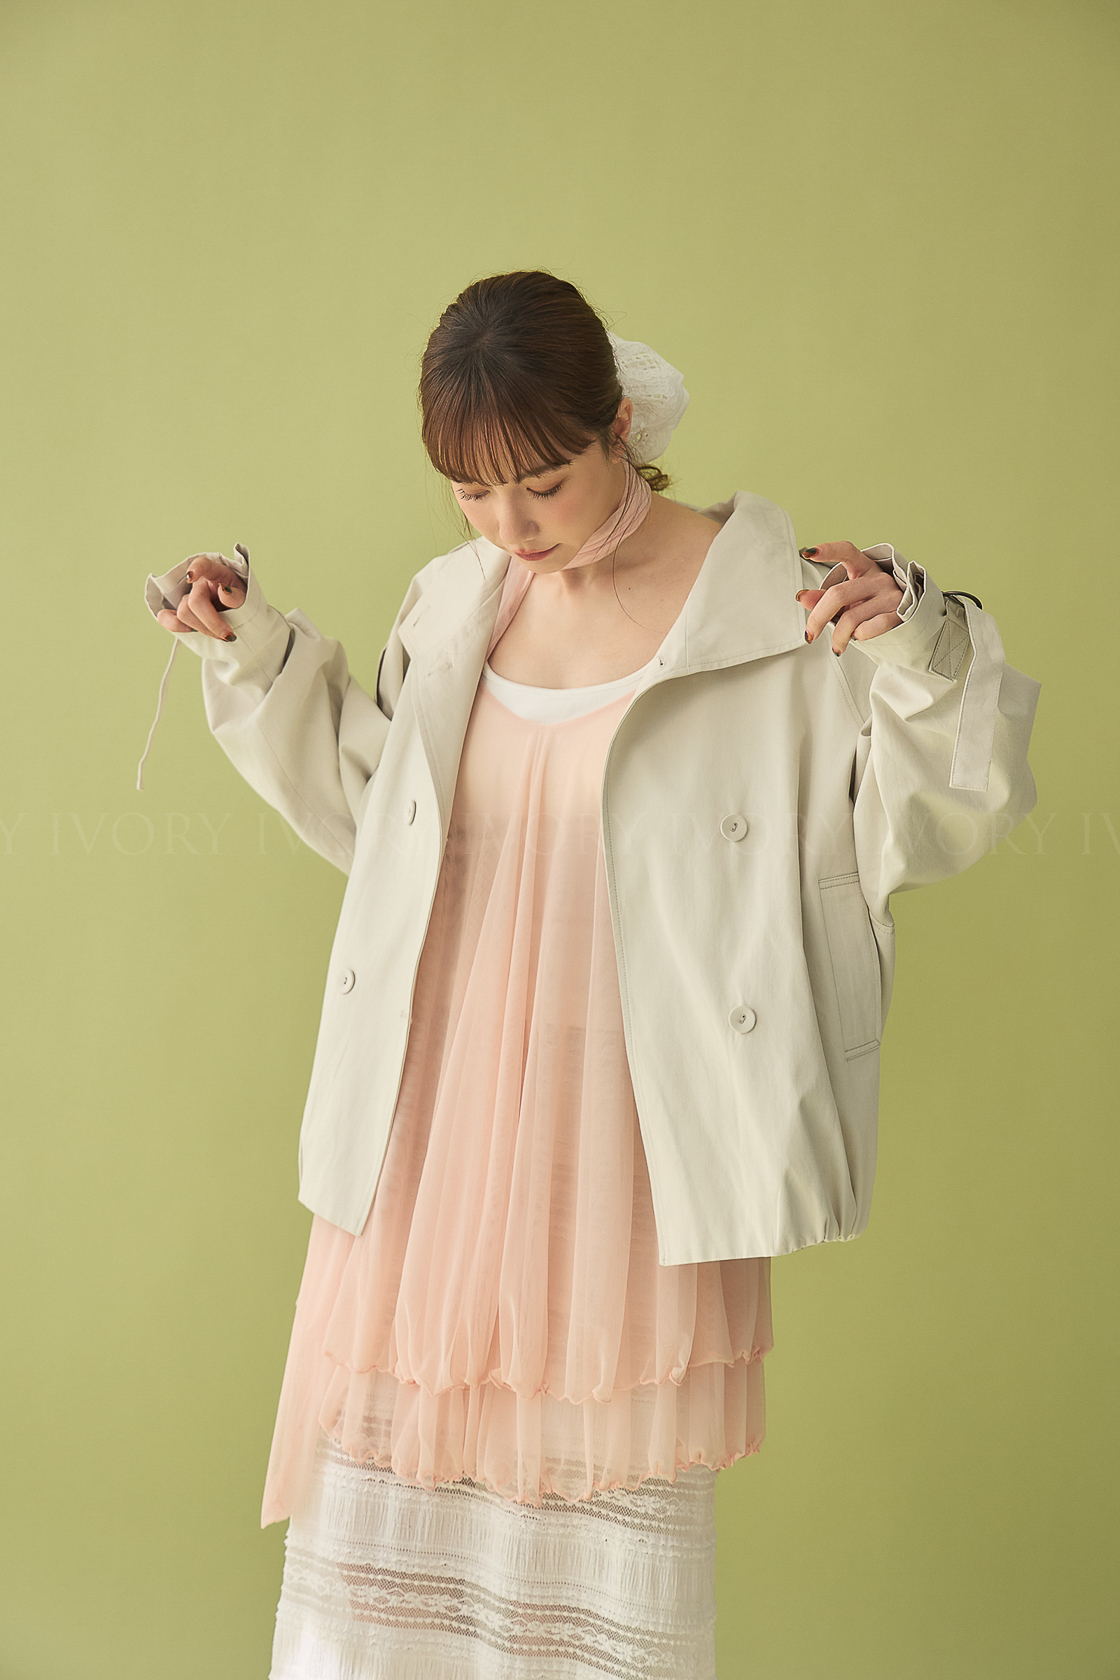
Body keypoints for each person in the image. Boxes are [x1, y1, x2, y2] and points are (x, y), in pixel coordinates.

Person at [140, 269, 1041, 1680]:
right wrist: (251, 655)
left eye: (544, 483)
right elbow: (389, 824)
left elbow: (938, 810)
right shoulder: (456, 602)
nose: (510, 526)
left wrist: (922, 637)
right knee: (385, 1565)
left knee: (590, 1579)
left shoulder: (777, 616)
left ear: (620, 424)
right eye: (471, 493)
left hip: (630, 1152)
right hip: (432, 1140)